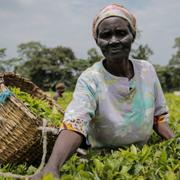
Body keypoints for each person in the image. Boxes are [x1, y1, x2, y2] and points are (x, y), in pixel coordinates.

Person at [32, 4, 175, 179]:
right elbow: (75, 123)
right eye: (105, 35)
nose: (114, 40)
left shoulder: (147, 70)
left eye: (121, 33)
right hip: (104, 156)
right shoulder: (90, 78)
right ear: (97, 40)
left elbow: (158, 117)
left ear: (132, 35)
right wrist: (52, 167)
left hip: (141, 153)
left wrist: (174, 142)